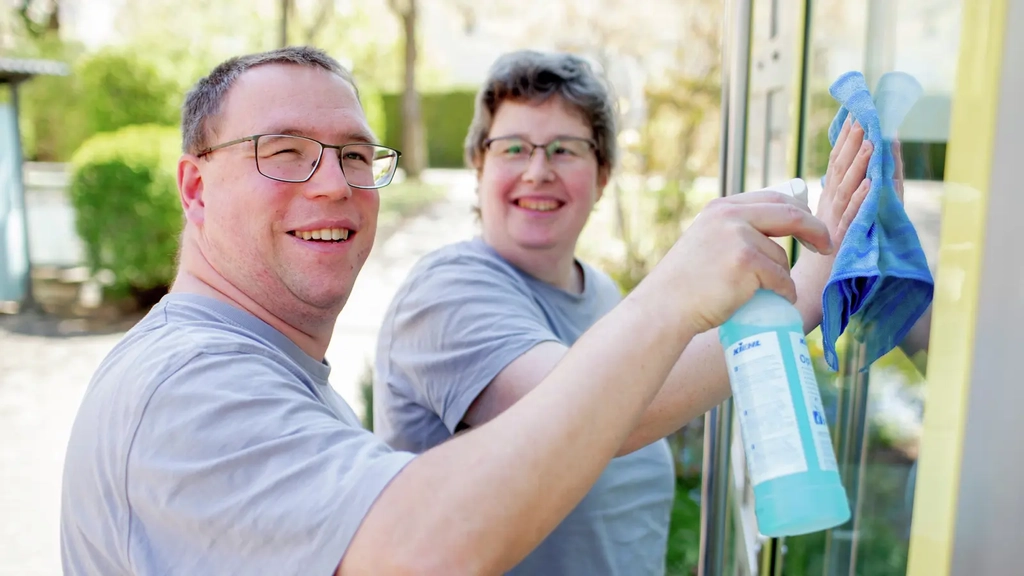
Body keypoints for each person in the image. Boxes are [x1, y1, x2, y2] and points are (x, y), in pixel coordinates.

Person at [59, 45, 851, 576]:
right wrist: (690, 299)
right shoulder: (191, 384)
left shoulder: (279, 377)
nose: (334, 185)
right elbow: (424, 549)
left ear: (603, 175)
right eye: (285, 151)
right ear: (195, 189)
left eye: (356, 156)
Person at [372, 50, 873, 575]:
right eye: (513, 148)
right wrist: (803, 296)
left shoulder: (602, 294)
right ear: (479, 166)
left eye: (565, 149)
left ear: (603, 175)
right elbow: (586, 414)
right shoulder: (446, 294)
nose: (538, 171)